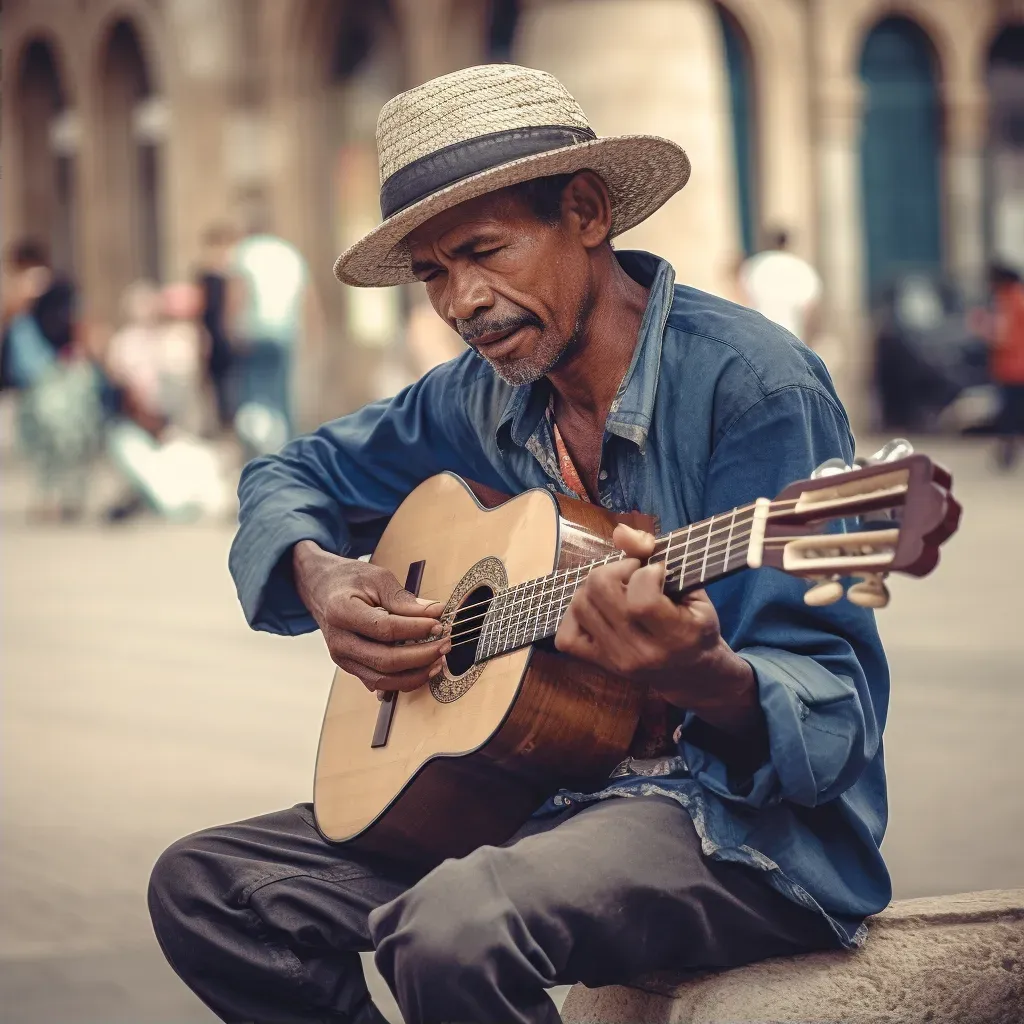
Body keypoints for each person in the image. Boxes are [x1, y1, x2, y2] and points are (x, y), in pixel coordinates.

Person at [148, 65, 891, 1024]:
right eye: (433, 275)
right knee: (211, 887)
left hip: (731, 830)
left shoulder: (756, 388)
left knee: (453, 925)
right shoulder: (482, 390)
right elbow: (285, 477)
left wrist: (705, 674)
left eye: (485, 251)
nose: (463, 302)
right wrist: (321, 575)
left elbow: (833, 714)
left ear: (585, 212)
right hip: (537, 796)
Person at [1, 240, 103, 520]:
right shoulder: (28, 301)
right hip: (35, 378)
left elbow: (78, 322)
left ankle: (67, 497)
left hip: (59, 370)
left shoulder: (59, 288)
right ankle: (53, 497)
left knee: (67, 436)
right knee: (43, 438)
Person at [228, 214, 313, 454]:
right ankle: (285, 452)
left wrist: (231, 329)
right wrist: (309, 333)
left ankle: (256, 453)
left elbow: (237, 292)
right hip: (285, 333)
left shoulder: (244, 252)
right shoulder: (288, 253)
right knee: (281, 396)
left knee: (255, 397)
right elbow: (308, 297)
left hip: (254, 333)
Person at [740, 227, 823, 343]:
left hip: (760, 331)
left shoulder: (755, 265)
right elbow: (808, 307)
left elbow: (743, 297)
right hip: (791, 332)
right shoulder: (801, 267)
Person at [195, 224, 239, 432]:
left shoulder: (233, 275)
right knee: (216, 387)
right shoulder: (205, 276)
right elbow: (201, 309)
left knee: (232, 386)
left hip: (229, 339)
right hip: (213, 337)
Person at [985, 262, 1024, 469]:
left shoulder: (1009, 301)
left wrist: (981, 326)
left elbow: (1001, 336)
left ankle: (1008, 453)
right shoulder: (1017, 298)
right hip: (1013, 368)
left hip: (1012, 369)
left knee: (1010, 414)